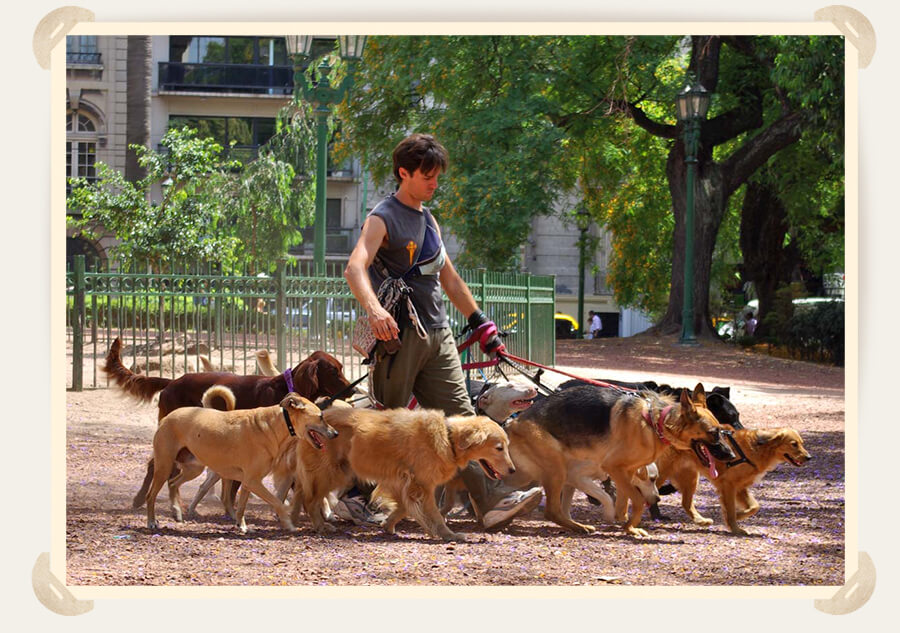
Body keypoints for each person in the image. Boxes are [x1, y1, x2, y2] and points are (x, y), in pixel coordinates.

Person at [342, 133, 542, 530]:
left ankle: (491, 503)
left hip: (438, 334)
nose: (435, 183)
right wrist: (375, 309)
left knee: (465, 422)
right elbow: (354, 267)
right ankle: (354, 496)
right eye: (427, 175)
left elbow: (450, 281)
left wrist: (480, 324)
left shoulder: (429, 219)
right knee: (386, 425)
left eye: (437, 175)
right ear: (404, 173)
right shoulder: (382, 216)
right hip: (397, 339)